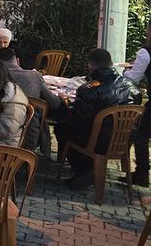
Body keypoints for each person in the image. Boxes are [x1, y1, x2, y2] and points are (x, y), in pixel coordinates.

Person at [56, 48, 136, 189]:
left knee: (62, 127)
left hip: (96, 141)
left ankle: (82, 169)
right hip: (123, 141)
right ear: (111, 64)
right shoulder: (132, 88)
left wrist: (65, 105)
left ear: (90, 65)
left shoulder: (88, 89)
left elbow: (78, 120)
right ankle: (88, 169)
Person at [0, 48, 61, 157]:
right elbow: (54, 102)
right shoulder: (34, 76)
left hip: (2, 134)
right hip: (31, 132)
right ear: (17, 61)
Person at [125, 25, 151, 186]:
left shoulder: (145, 52)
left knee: (141, 135)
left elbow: (133, 78)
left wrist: (126, 71)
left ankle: (142, 175)